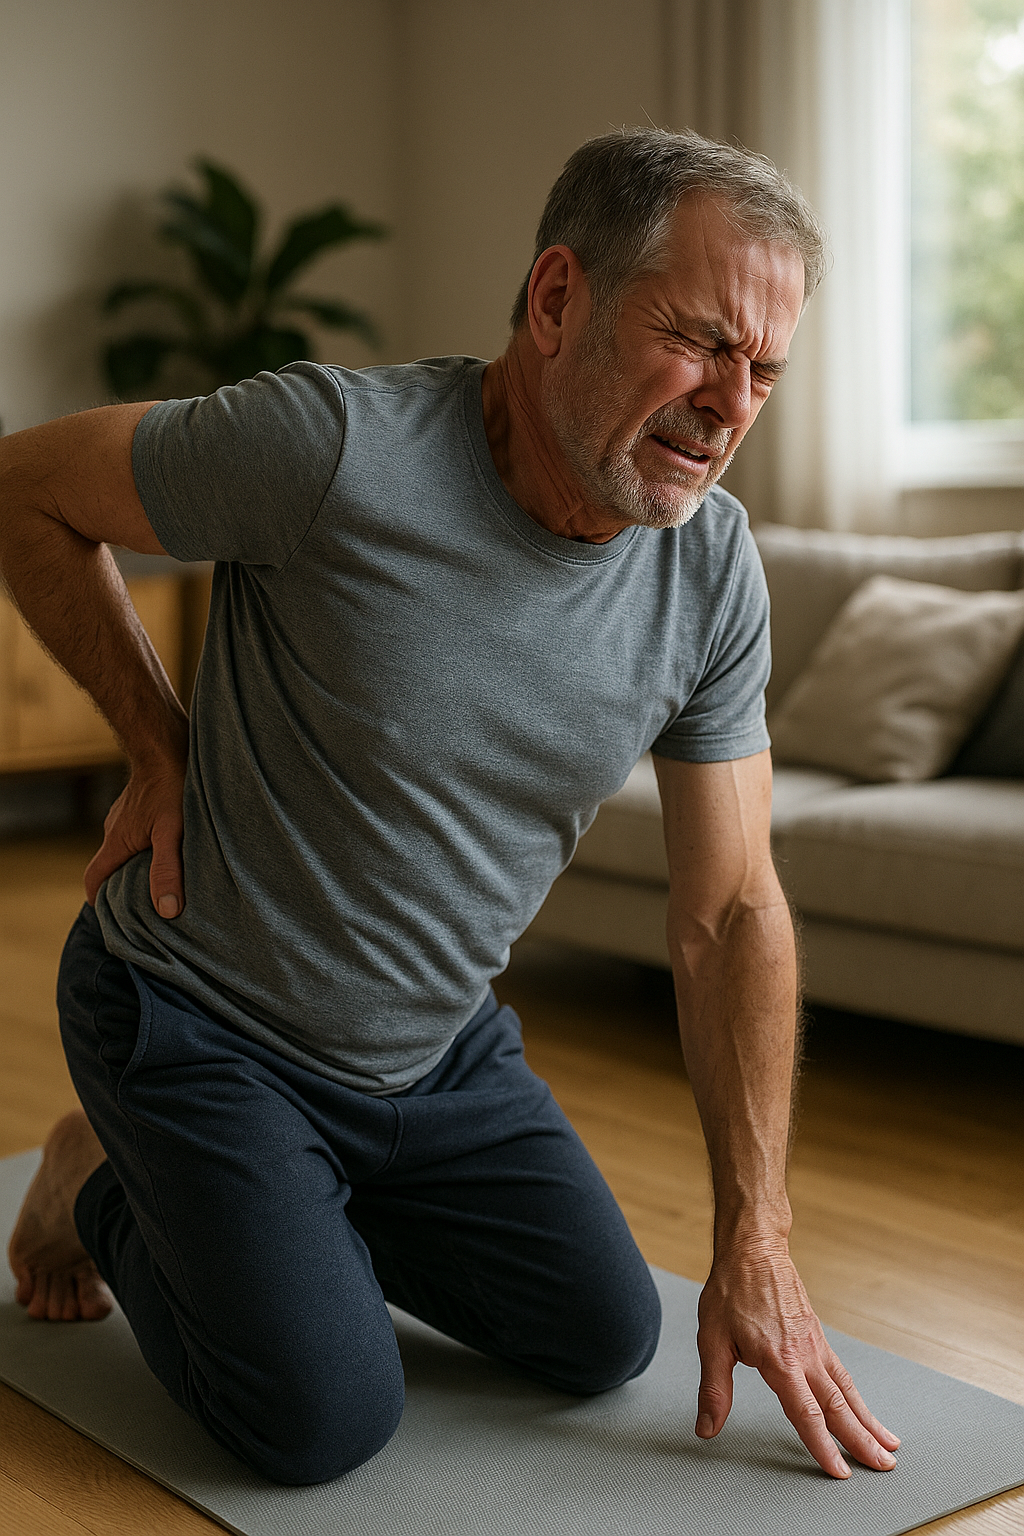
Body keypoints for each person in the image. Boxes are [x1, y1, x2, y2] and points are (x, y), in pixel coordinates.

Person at [3, 128, 900, 1487]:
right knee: (319, 1422)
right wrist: (152, 742)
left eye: (763, 369)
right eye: (700, 341)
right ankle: (103, 1178)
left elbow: (730, 907)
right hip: (198, 1015)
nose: (730, 402)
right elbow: (25, 490)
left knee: (606, 1335)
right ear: (556, 303)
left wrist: (757, 1236)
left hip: (434, 1055)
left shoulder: (711, 576)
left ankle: (282, 1201)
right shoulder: (330, 450)